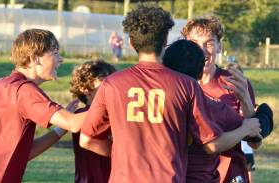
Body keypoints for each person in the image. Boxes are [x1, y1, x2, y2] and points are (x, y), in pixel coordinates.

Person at [79, 6, 261, 182]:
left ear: (130, 42)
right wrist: (250, 124)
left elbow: (87, 140)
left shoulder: (112, 84)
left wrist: (124, 157)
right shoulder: (186, 85)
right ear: (166, 41)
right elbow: (213, 143)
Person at [0, 29, 86, 183]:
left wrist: (61, 129)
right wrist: (115, 102)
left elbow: (23, 153)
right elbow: (74, 123)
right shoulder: (23, 90)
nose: (61, 59)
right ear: (35, 58)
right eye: (55, 53)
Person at [163, 39, 273, 183]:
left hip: (164, 175)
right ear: (200, 71)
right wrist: (263, 114)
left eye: (208, 43)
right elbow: (255, 133)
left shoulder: (154, 101)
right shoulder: (211, 107)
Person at [181, 15, 260, 183]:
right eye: (195, 43)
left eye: (209, 43)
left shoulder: (234, 82)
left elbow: (254, 143)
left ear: (219, 46)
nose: (202, 50)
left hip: (230, 173)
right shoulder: (177, 83)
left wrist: (245, 99)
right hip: (189, 174)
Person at [69, 60, 116, 183]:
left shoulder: (114, 114)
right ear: (85, 89)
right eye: (104, 81)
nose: (111, 86)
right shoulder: (79, 116)